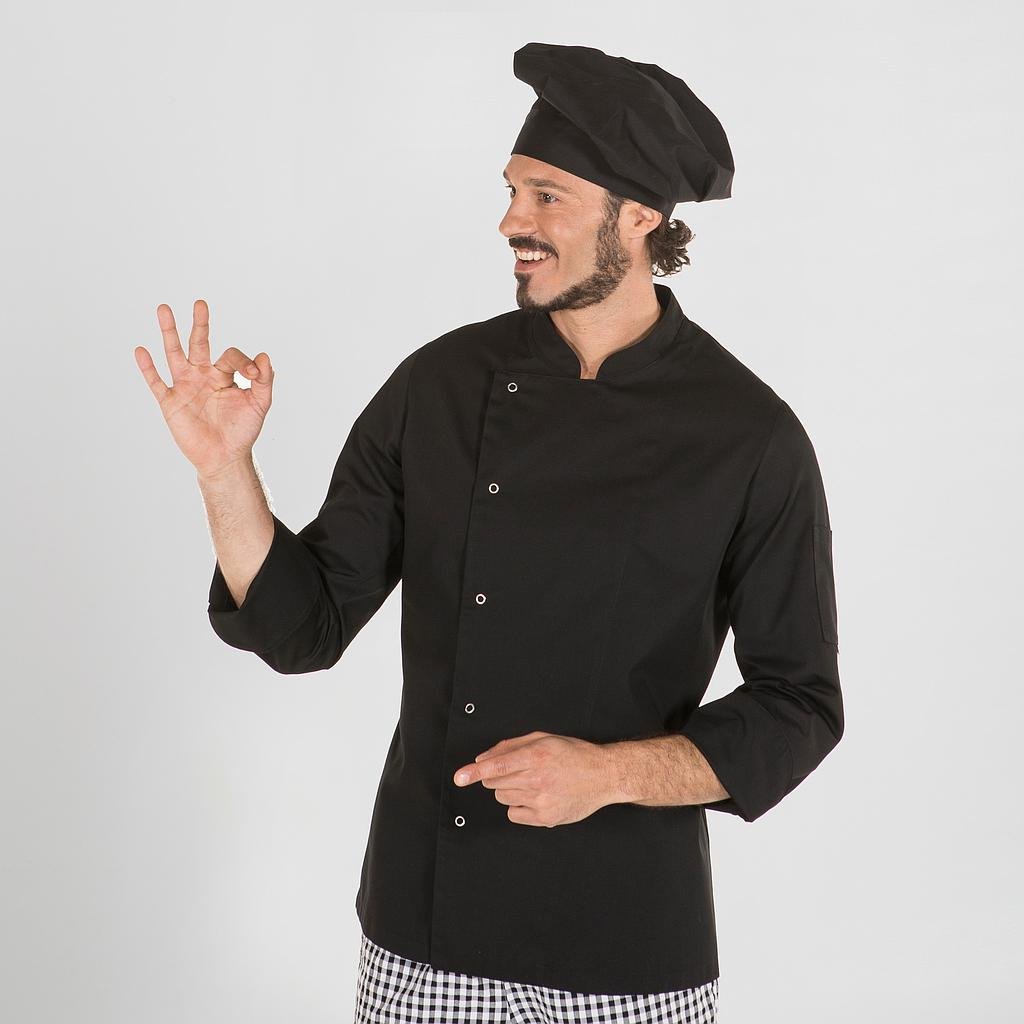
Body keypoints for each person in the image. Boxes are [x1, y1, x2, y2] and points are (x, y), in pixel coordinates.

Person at [135, 41, 843, 1024]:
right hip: (427, 926)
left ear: (640, 217)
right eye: (512, 191)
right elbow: (305, 627)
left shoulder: (748, 435)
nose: (512, 220)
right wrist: (224, 469)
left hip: (629, 940)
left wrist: (607, 773)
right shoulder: (439, 386)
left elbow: (798, 706)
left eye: (548, 195)